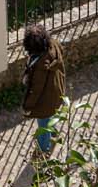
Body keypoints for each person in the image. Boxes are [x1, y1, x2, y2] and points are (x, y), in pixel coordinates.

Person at [21, 23, 65, 154]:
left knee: (43, 126)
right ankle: (54, 134)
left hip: (45, 101)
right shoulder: (54, 44)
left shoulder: (40, 66)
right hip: (57, 90)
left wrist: (27, 106)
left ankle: (42, 149)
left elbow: (36, 90)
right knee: (53, 115)